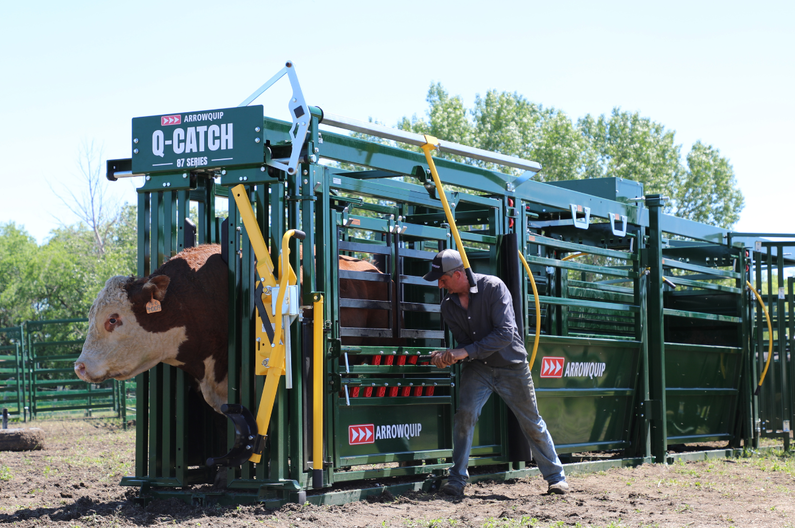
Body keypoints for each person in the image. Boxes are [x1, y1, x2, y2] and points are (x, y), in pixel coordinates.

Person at [423, 249, 568, 496]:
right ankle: (456, 481)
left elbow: (505, 334)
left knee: (531, 422)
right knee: (464, 416)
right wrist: (448, 357)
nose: (439, 285)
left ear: (458, 274)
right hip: (478, 368)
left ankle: (556, 478)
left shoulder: (494, 287)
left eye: (443, 279)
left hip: (511, 366)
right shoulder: (448, 307)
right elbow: (464, 344)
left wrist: (462, 352)